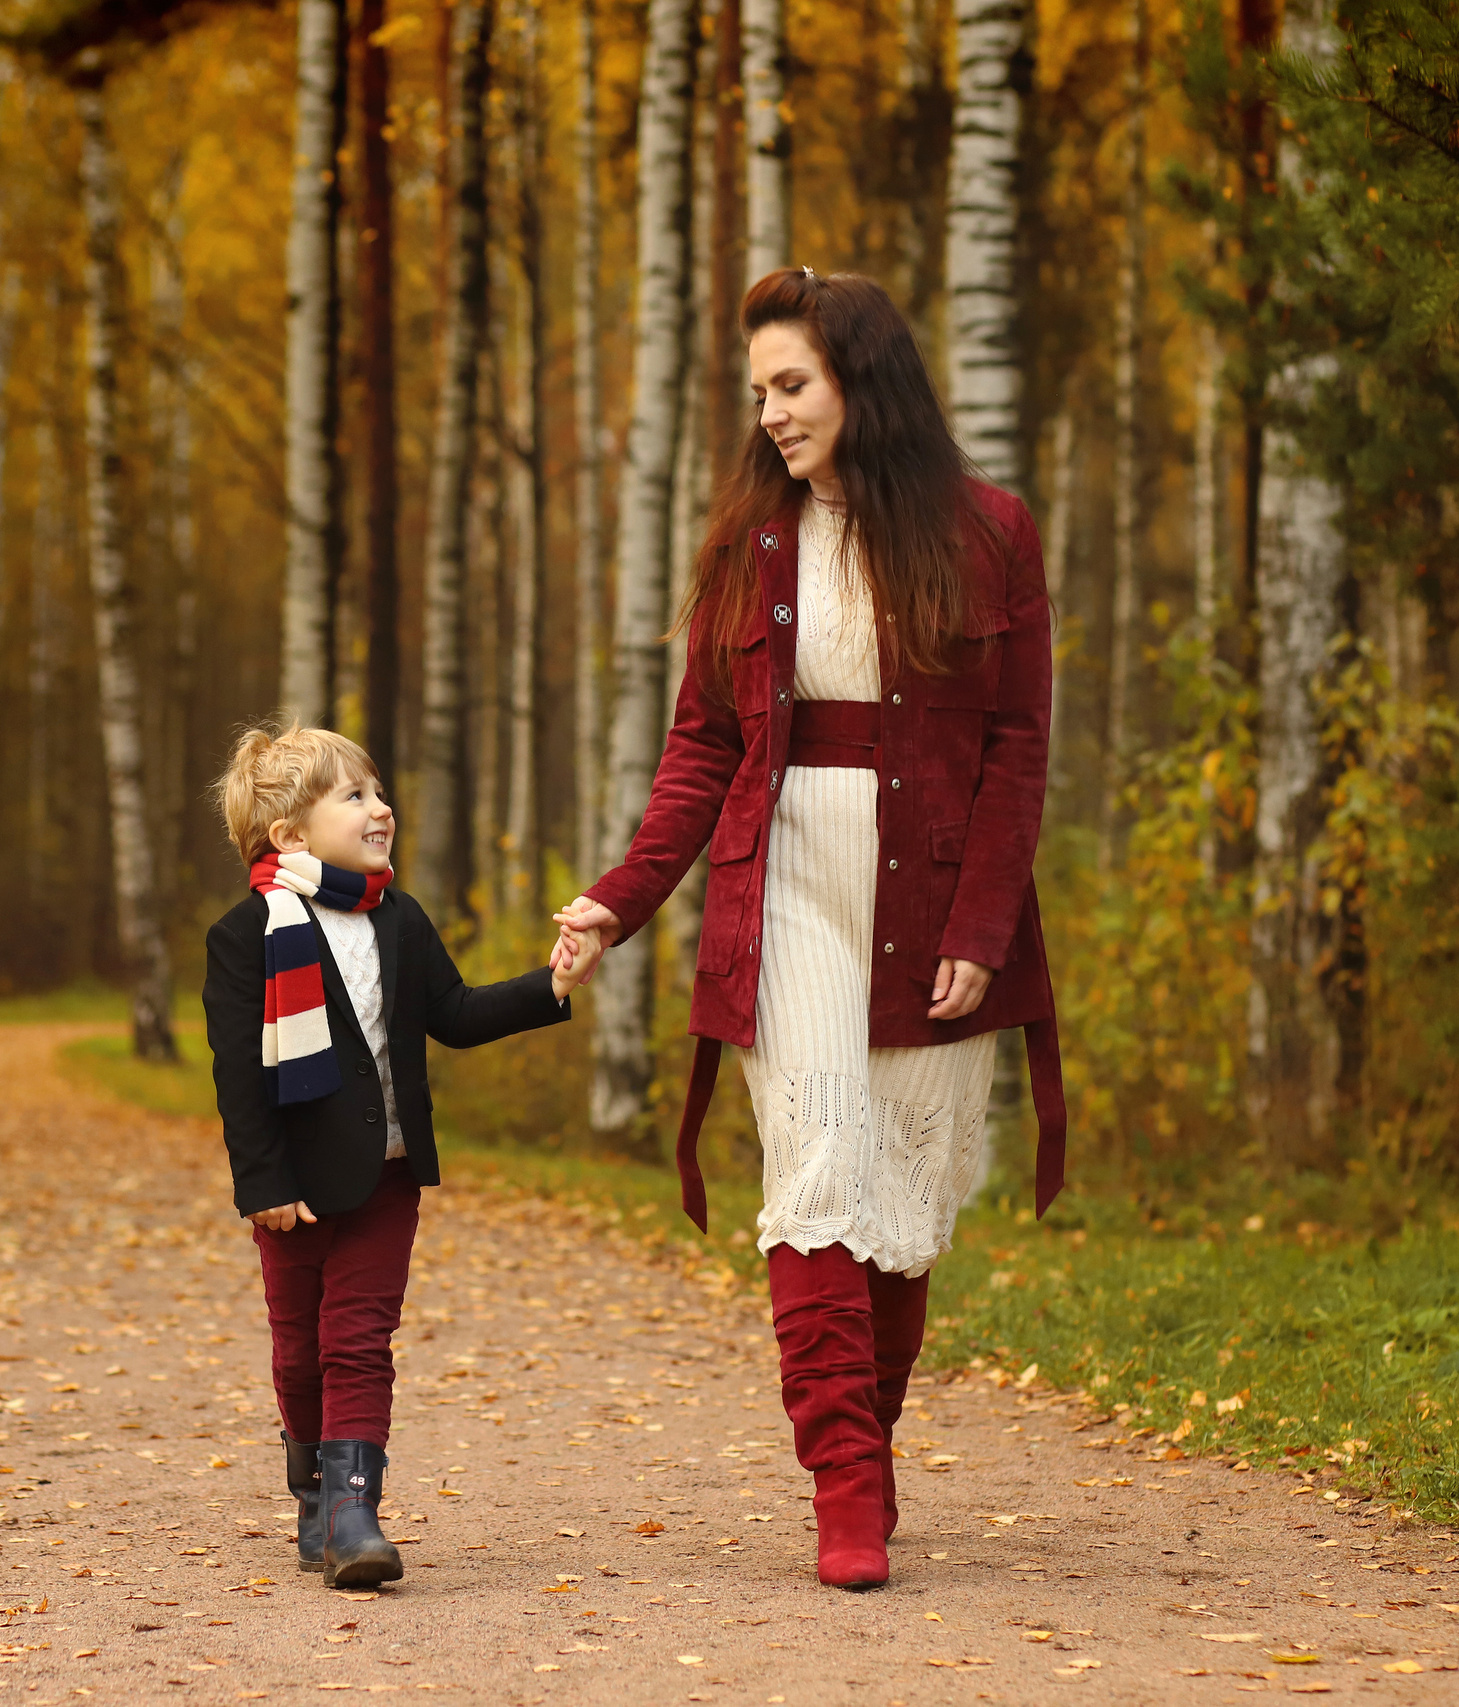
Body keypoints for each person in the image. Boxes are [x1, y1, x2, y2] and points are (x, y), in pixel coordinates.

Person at [550, 269, 1064, 1591]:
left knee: (902, 1186)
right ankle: (846, 1477)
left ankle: (866, 1444)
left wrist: (985, 917)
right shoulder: (747, 544)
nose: (771, 413)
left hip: (937, 893)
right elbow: (701, 746)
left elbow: (1017, 745)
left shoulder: (992, 531)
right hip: (784, 885)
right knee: (818, 1166)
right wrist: (620, 893)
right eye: (760, 392)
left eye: (793, 384)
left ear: (861, 379)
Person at [206, 723, 602, 1589]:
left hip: (385, 1174)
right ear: (289, 835)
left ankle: (355, 1513)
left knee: (358, 1339)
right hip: (296, 1188)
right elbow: (239, 1078)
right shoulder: (246, 936)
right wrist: (261, 1181)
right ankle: (312, 1494)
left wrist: (554, 985)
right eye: (353, 796)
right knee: (298, 1350)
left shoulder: (401, 918)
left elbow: (453, 1014)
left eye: (378, 791)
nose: (380, 808)